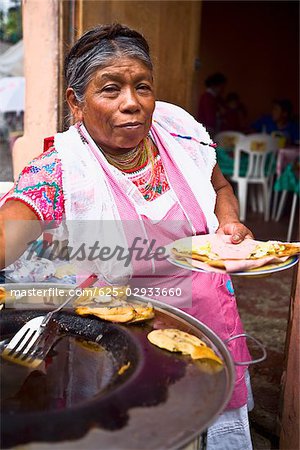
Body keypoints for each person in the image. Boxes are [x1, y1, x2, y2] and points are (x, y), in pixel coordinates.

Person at [0, 24, 254, 449]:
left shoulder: (179, 134)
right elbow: (10, 232)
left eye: (142, 86)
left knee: (211, 424)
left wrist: (228, 223)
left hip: (208, 317)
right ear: (75, 103)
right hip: (123, 343)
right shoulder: (62, 168)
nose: (132, 103)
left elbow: (221, 188)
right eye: (111, 89)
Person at [197, 72, 227, 137]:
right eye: (221, 86)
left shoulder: (216, 97)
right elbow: (209, 118)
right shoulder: (207, 97)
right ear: (214, 85)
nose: (223, 89)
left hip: (212, 129)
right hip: (208, 130)